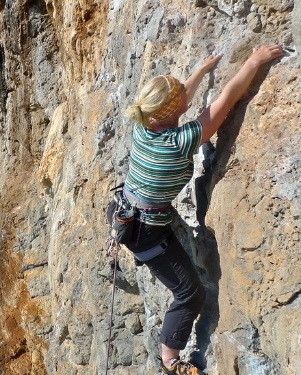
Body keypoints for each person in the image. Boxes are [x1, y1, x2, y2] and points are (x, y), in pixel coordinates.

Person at [117, 44, 284, 375]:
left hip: (128, 210)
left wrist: (200, 72)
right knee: (189, 294)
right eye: (181, 95)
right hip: (146, 230)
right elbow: (225, 101)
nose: (186, 96)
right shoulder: (179, 141)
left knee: (185, 285)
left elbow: (178, 103)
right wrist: (254, 60)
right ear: (169, 110)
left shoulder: (143, 126)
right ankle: (169, 361)